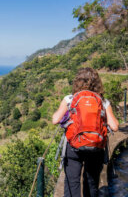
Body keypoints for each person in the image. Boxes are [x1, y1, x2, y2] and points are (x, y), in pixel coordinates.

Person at [52, 67, 119, 197]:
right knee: (91, 182)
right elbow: (115, 126)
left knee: (72, 182)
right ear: (97, 83)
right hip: (96, 146)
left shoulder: (70, 99)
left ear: (77, 82)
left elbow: (55, 119)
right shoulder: (103, 101)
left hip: (74, 146)